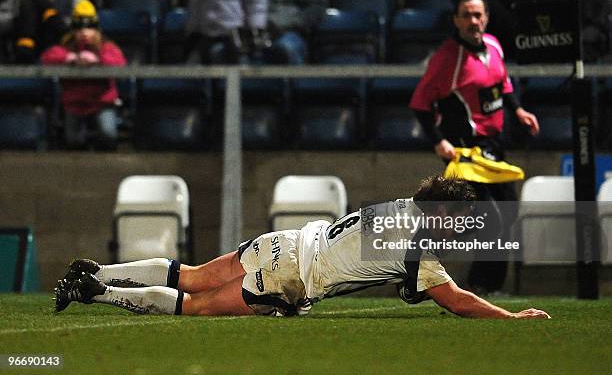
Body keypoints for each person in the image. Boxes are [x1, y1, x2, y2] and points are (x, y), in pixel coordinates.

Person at [54, 175, 550, 320]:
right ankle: (95, 292)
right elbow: (455, 297)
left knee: (191, 273)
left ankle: (104, 269)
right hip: (294, 277)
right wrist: (509, 318)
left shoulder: (400, 203)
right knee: (196, 307)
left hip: (288, 241)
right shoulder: (420, 241)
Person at [409, 0, 540, 294]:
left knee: (506, 211)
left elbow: (503, 84)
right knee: (487, 217)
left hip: (492, 147)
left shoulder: (493, 45)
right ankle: (475, 283)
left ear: (487, 18)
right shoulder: (447, 58)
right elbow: (419, 102)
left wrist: (518, 110)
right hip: (463, 151)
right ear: (456, 20)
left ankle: (486, 285)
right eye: (466, 15)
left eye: (478, 15)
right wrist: (438, 141)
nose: (473, 21)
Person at [40, 0, 126, 150]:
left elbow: (120, 62)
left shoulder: (106, 46)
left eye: (89, 28)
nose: (85, 33)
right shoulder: (67, 47)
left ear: (96, 30)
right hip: (75, 103)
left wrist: (98, 60)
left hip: (102, 101)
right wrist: (70, 58)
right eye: (80, 29)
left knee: (108, 135)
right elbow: (47, 57)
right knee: (73, 141)